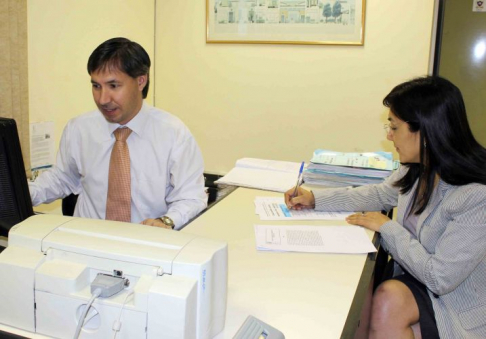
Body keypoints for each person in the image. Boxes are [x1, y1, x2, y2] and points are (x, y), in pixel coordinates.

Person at [285, 76, 486, 338]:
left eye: (395, 127)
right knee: (370, 304)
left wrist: (387, 227)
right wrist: (316, 199)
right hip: (416, 277)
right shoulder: (416, 167)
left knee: (384, 302)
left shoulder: (474, 196)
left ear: (425, 133)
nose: (389, 135)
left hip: (453, 299)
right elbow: (379, 194)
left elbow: (441, 278)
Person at [29, 37, 207, 230]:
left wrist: (166, 221)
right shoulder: (79, 128)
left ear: (140, 81)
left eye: (113, 86)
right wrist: (17, 194)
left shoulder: (174, 134)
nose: (103, 99)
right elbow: (62, 178)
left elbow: (191, 197)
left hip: (145, 245)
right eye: (96, 86)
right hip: (87, 241)